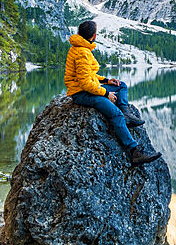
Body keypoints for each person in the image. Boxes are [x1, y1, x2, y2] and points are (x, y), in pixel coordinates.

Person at [65, 20, 162, 166]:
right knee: (115, 114)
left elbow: (88, 75)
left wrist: (106, 80)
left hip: (87, 88)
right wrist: (105, 93)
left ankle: (127, 114)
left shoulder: (81, 48)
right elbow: (85, 83)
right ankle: (134, 152)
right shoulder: (82, 52)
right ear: (93, 36)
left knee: (121, 85)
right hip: (81, 94)